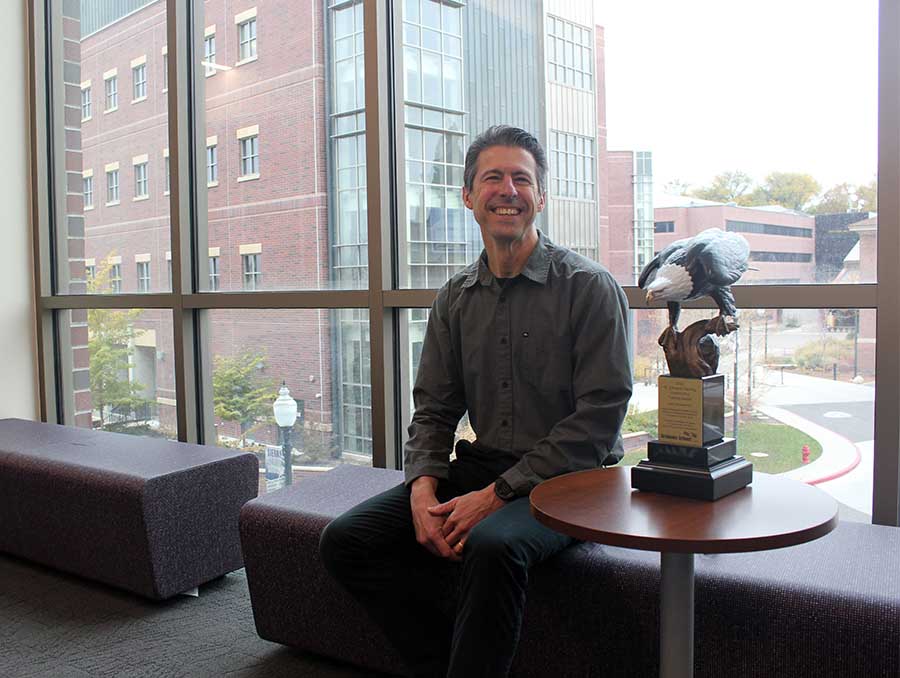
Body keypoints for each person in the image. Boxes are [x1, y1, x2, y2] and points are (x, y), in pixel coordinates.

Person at [320, 125, 632, 678]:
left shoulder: (588, 288)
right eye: (493, 178)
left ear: (541, 196)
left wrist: (496, 495)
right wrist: (422, 488)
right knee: (347, 540)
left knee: (491, 544)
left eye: (521, 179)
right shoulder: (456, 298)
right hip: (486, 466)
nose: (507, 190)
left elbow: (598, 422)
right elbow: (435, 408)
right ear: (468, 196)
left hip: (575, 484)